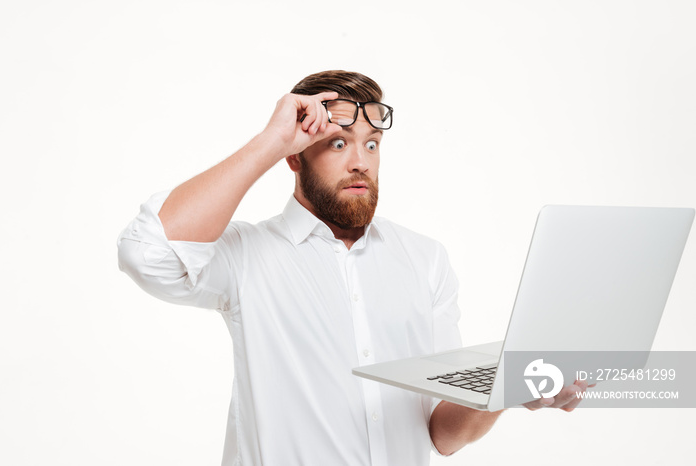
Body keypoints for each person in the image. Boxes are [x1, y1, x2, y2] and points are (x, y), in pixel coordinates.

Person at [118, 70, 588, 465]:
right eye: (338, 143)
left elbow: (442, 431)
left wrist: (503, 383)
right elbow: (148, 253)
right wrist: (270, 140)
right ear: (295, 156)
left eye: (372, 144)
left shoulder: (425, 260)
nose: (360, 163)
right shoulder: (246, 254)